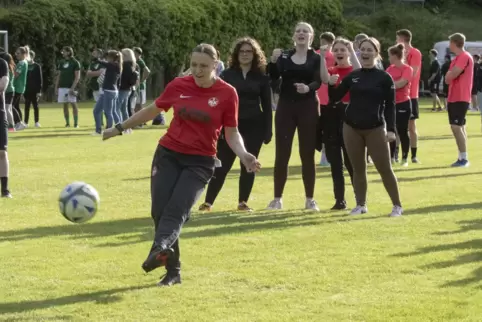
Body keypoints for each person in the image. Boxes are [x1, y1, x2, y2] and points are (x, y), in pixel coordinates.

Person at [102, 43, 260, 286]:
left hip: (201, 161)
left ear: (215, 66)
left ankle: (160, 249)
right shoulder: (179, 85)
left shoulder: (228, 93)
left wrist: (244, 154)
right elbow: (152, 110)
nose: (197, 70)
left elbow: (231, 133)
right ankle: (172, 270)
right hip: (168, 154)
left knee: (176, 210)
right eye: (194, 64)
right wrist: (120, 127)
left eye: (204, 66)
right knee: (160, 211)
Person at [327, 37, 402, 217]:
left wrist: (391, 130)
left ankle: (397, 205)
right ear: (359, 54)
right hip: (351, 127)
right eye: (363, 50)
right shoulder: (353, 76)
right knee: (358, 168)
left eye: (370, 50)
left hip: (375, 127)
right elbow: (335, 98)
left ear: (377, 53)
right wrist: (331, 84)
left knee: (384, 168)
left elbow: (391, 105)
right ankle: (360, 205)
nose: (366, 53)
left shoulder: (384, 77)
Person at [198, 37, 272, 212]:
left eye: (249, 52)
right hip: (231, 126)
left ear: (255, 55)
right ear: (236, 54)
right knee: (223, 164)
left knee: (249, 163)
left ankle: (243, 202)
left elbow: (268, 106)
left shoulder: (261, 77)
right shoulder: (227, 75)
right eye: (242, 51)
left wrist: (268, 130)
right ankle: (208, 202)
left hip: (255, 125)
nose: (245, 55)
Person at [267, 22, 321, 211]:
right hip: (285, 107)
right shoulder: (284, 56)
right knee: (282, 154)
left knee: (307, 154)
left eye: (305, 31)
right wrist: (272, 62)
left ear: (311, 37)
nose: (301, 33)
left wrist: (309, 88)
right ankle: (277, 199)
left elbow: (318, 80)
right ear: (293, 36)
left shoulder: (316, 57)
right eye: (297, 30)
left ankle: (310, 199)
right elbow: (273, 78)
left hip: (308, 107)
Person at [319, 37, 360, 210]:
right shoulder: (331, 71)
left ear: (349, 52)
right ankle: (340, 200)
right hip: (332, 117)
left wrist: (352, 50)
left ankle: (360, 199)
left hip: (350, 117)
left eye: (343, 50)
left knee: (352, 162)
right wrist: (322, 56)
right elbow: (322, 78)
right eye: (336, 50)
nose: (339, 53)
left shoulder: (354, 70)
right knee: (335, 162)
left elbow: (359, 72)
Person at [445, 33, 474, 167]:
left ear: (455, 42)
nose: (449, 45)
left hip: (461, 96)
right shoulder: (456, 59)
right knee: (459, 126)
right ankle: (462, 156)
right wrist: (449, 75)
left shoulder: (464, 57)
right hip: (453, 96)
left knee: (456, 127)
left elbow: (453, 74)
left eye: (450, 42)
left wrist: (450, 75)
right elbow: (447, 78)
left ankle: (464, 158)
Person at [396, 29, 422, 164]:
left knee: (411, 126)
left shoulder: (415, 53)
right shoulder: (397, 54)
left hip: (411, 95)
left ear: (403, 39)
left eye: (397, 39)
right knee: (398, 126)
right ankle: (396, 153)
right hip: (398, 96)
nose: (396, 41)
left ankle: (413, 155)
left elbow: (412, 73)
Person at [386, 44, 413, 167]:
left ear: (395, 56)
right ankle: (392, 156)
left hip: (403, 103)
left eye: (390, 55)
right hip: (391, 103)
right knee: (391, 130)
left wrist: (390, 86)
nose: (388, 58)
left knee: (402, 130)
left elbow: (401, 83)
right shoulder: (389, 69)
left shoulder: (407, 69)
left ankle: (405, 158)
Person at [316, 32, 336, 167]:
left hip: (327, 98)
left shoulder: (333, 57)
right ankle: (324, 154)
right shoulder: (317, 55)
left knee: (326, 129)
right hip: (320, 98)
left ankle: (326, 155)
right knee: (322, 129)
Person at [93, 50, 122, 135]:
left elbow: (102, 62)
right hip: (109, 91)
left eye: (108, 57)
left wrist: (97, 58)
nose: (107, 58)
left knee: (108, 112)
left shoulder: (113, 65)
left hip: (109, 91)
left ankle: (109, 131)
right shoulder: (115, 65)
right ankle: (99, 131)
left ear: (112, 58)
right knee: (97, 111)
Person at [55, 46, 81, 128]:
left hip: (71, 87)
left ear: (69, 52)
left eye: (64, 51)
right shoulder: (61, 62)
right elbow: (59, 75)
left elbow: (77, 77)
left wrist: (72, 88)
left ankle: (76, 123)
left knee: (73, 104)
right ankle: (67, 123)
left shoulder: (75, 62)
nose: (62, 53)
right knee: (65, 105)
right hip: (62, 87)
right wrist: (56, 87)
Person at [118, 48, 138, 128]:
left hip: (122, 89)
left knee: (117, 108)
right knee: (124, 108)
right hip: (128, 89)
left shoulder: (124, 65)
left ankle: (119, 126)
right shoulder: (132, 65)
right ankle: (127, 127)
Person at [0, 54, 11, 197]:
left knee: (2, 152)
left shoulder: (2, 63)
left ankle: (5, 190)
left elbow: (2, 85)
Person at [24, 50, 42, 127]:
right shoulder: (25, 66)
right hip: (26, 89)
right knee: (27, 106)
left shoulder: (37, 66)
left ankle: (36, 122)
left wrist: (39, 91)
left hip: (35, 90)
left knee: (35, 106)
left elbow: (40, 79)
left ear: (32, 56)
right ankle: (25, 122)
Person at [13, 46, 28, 131]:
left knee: (11, 105)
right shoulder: (22, 62)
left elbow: (16, 75)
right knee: (16, 105)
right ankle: (20, 123)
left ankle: (19, 123)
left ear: (23, 54)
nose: (16, 55)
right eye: (16, 53)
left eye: (18, 53)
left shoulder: (22, 63)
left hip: (17, 87)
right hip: (20, 87)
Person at [2, 53, 16, 132]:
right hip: (10, 90)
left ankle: (11, 126)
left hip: (8, 90)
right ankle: (11, 125)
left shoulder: (7, 68)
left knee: (7, 109)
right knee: (9, 109)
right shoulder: (11, 67)